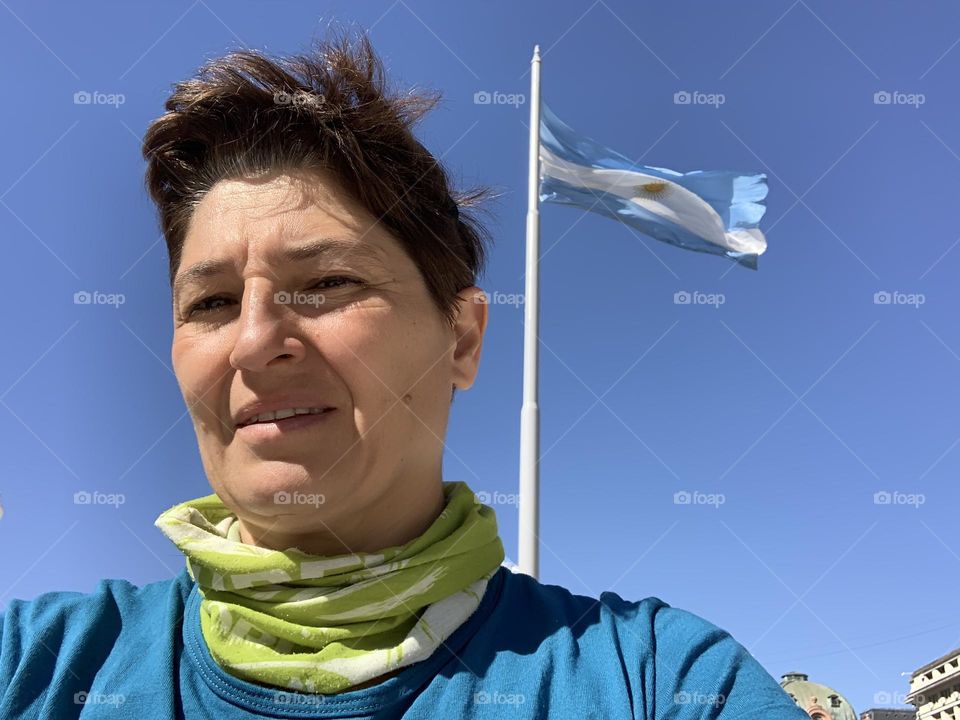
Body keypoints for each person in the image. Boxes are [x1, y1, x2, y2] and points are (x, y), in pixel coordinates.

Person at [0, 29, 809, 719]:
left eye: (327, 284)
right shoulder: (36, 669)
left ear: (461, 337)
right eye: (210, 302)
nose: (253, 342)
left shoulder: (660, 685)